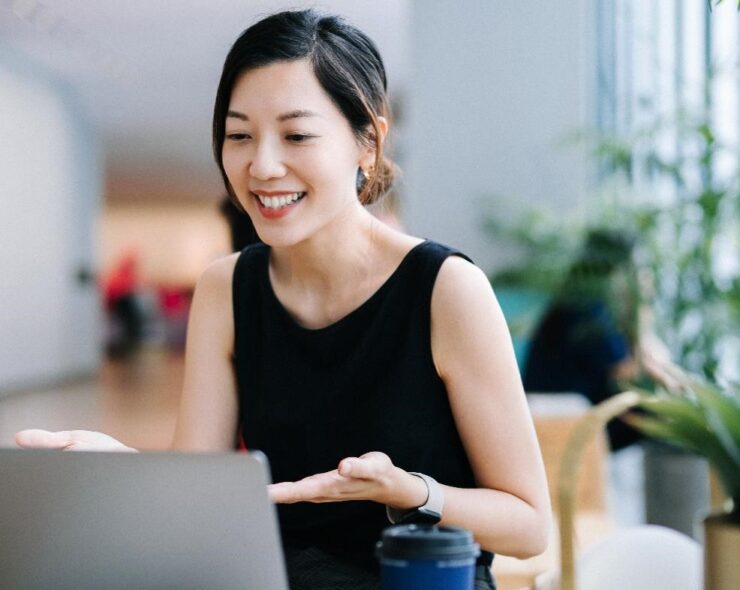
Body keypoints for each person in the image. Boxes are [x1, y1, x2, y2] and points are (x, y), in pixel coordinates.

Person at [16, 10, 550, 589]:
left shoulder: (445, 288)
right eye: (239, 135)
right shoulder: (227, 289)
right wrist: (124, 467)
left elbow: (529, 527)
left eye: (296, 135)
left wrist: (409, 491)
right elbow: (201, 499)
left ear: (367, 142)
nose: (263, 166)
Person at [523, 229, 646, 450]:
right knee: (651, 416)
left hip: (548, 408)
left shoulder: (571, 301)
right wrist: (640, 313)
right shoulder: (591, 311)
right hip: (566, 413)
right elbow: (627, 371)